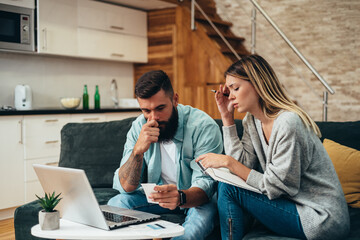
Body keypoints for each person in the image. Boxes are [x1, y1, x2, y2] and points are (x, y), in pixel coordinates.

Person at [196, 55, 350, 240]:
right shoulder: (252, 121)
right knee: (227, 185)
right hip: (292, 206)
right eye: (229, 90)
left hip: (320, 217)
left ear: (258, 84)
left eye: (236, 88)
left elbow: (276, 187)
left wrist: (228, 162)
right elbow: (243, 164)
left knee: (229, 189)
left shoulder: (288, 123)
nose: (232, 95)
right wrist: (227, 118)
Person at [108, 70, 223, 240]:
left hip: (194, 200)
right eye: (146, 111)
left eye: (160, 108)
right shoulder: (139, 126)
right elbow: (125, 187)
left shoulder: (203, 126)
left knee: (199, 222)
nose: (154, 118)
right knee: (116, 205)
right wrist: (138, 152)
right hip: (156, 198)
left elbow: (207, 185)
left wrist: (180, 197)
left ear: (175, 99)